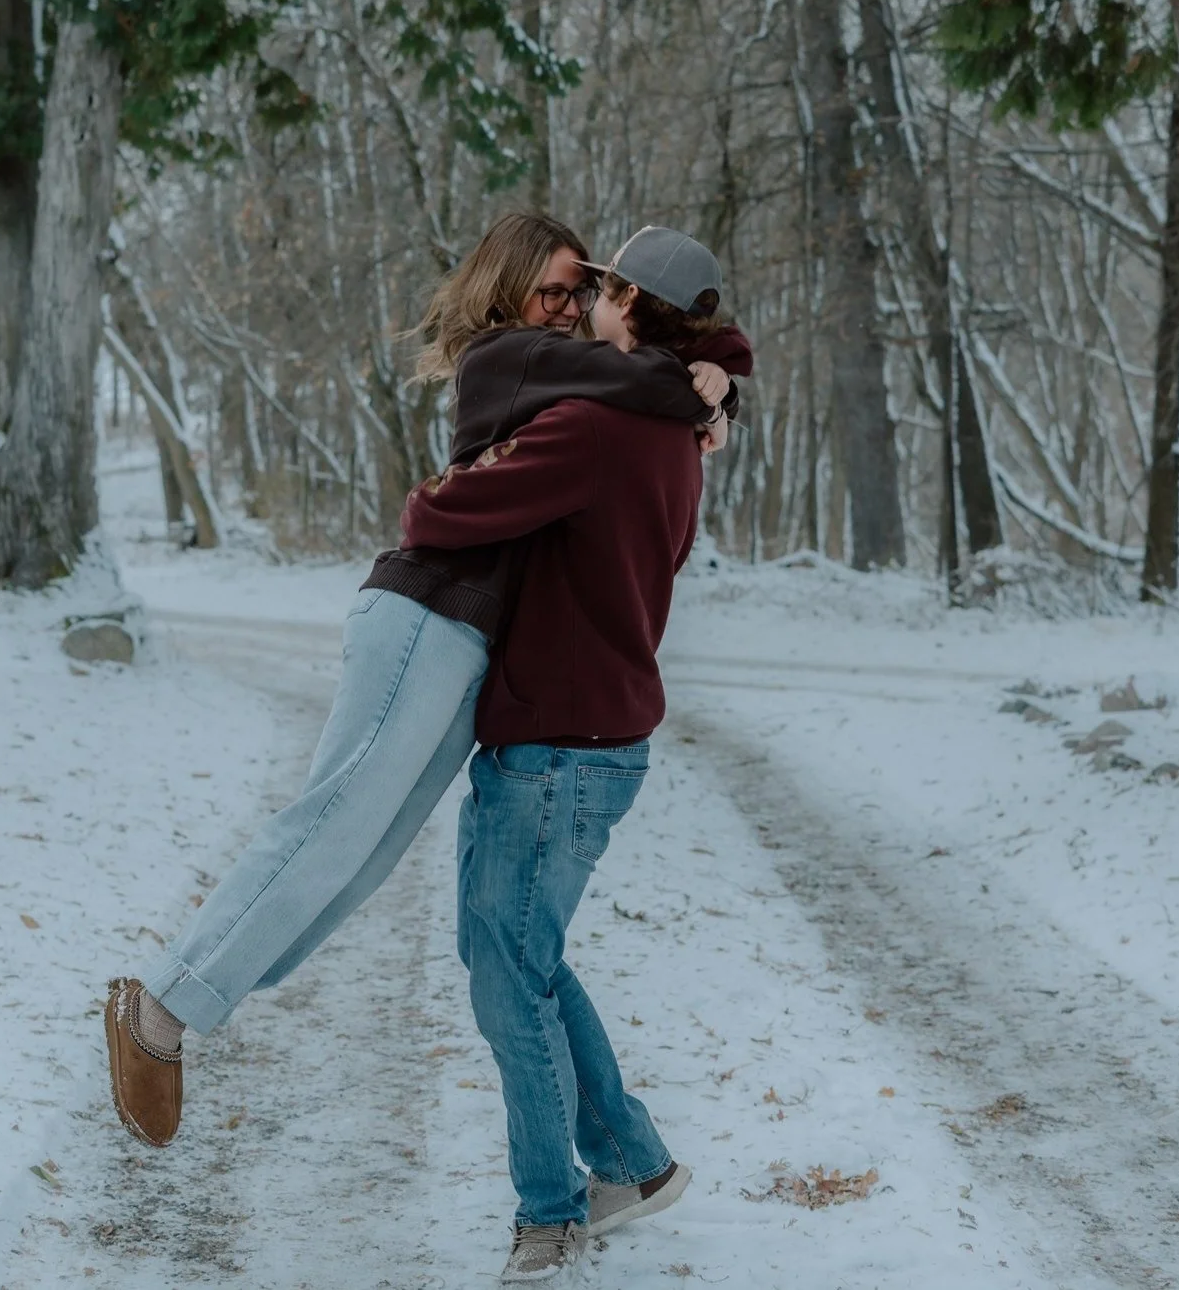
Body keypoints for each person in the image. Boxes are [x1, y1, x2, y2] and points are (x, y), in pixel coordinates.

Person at [105, 214, 751, 1151]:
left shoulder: (577, 370)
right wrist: (709, 383)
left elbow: (662, 355)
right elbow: (637, 375)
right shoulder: (508, 356)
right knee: (330, 824)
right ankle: (164, 1010)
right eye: (555, 289)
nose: (567, 309)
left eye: (582, 293)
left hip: (468, 642)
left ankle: (209, 993)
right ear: (510, 285)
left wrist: (719, 377)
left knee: (364, 861)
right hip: (426, 614)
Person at [398, 225, 735, 1283]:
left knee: (508, 971)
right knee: (515, 956)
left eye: (599, 290)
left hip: (559, 743)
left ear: (629, 306)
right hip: (586, 734)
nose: (581, 304)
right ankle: (630, 1158)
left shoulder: (595, 427)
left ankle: (551, 1214)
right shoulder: (672, 426)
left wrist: (470, 470)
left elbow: (443, 512)